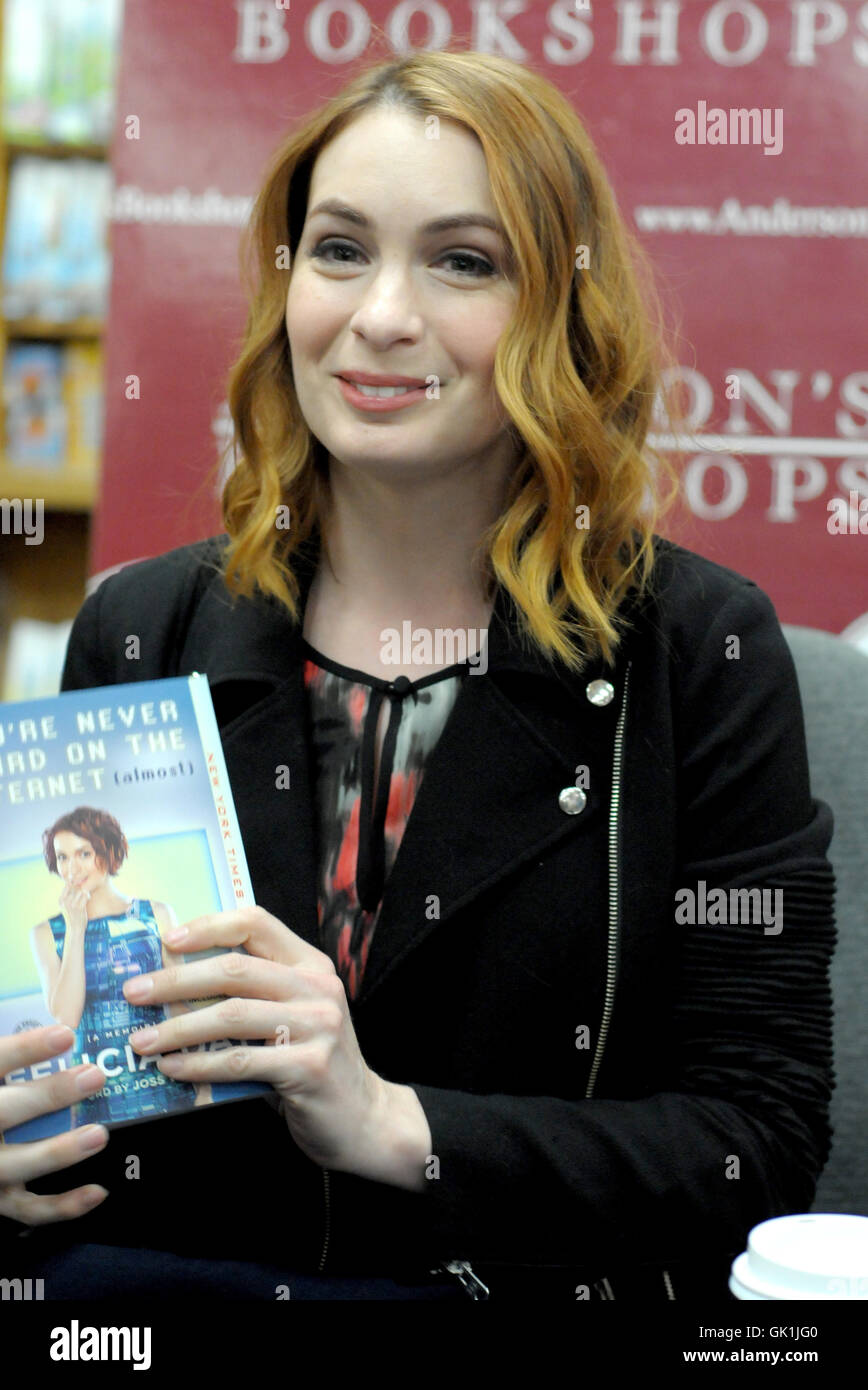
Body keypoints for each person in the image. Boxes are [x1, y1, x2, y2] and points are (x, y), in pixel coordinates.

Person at [0, 49, 836, 1302]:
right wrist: (23, 1135)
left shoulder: (697, 654)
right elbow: (77, 1070)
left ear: (561, 305)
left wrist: (394, 1122)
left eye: (463, 261)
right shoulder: (145, 621)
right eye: (338, 251)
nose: (380, 316)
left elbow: (754, 1148)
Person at [29, 806, 212, 1133]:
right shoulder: (47, 933)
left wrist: (205, 1086)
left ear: (108, 850)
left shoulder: (154, 913)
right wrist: (75, 928)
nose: (72, 868)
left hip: (166, 1078)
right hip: (97, 1088)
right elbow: (66, 1017)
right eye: (63, 857)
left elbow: (180, 1005)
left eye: (84, 853)